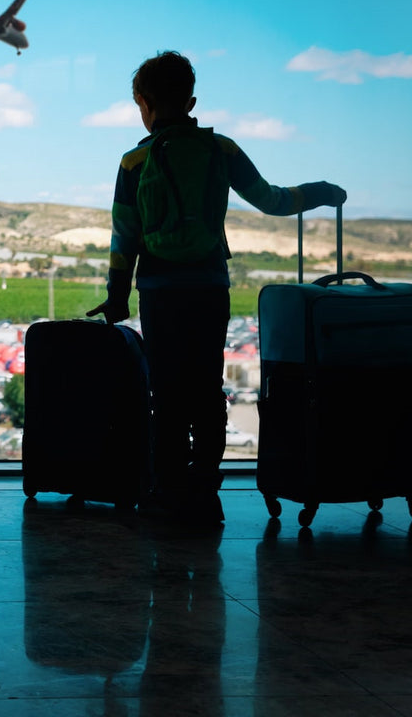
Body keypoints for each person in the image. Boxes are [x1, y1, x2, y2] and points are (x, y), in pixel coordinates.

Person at [88, 51, 346, 525]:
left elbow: (124, 238)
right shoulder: (221, 150)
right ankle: (206, 490)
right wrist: (322, 191)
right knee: (207, 389)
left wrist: (117, 294)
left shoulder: (134, 161)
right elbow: (272, 200)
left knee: (165, 393)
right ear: (191, 100)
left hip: (159, 292)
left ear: (143, 103)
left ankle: (166, 490)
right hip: (209, 287)